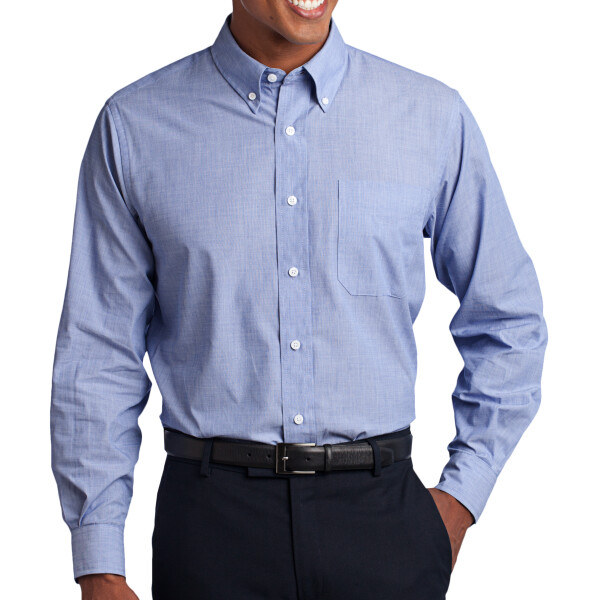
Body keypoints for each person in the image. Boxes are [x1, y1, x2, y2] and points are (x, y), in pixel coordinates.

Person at [50, 1, 548, 598]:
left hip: (384, 522)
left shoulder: (430, 117)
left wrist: (462, 495)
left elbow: (508, 317)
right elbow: (98, 353)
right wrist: (99, 562)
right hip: (211, 527)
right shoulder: (136, 126)